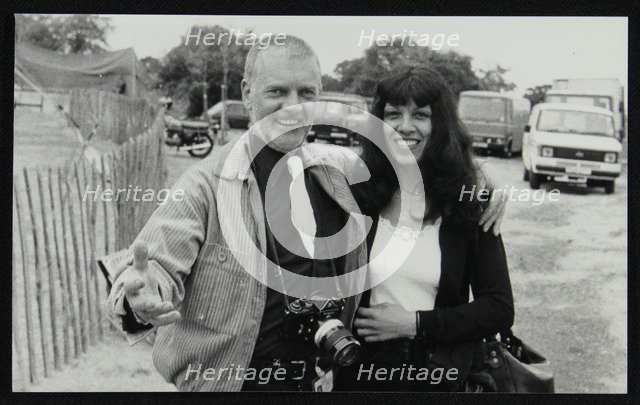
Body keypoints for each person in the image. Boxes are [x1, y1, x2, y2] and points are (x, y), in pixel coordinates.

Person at [105, 37, 507, 392]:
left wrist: (481, 182)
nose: (292, 108)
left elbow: (415, 161)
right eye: (277, 91)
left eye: (306, 93)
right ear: (247, 92)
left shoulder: (333, 176)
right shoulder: (204, 186)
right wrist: (139, 298)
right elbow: (153, 269)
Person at [334, 66, 514, 392]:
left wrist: (414, 324)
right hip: (360, 373)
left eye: (420, 114)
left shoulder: (469, 200)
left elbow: (499, 308)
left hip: (436, 373)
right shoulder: (359, 190)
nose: (405, 126)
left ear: (440, 124)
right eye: (392, 114)